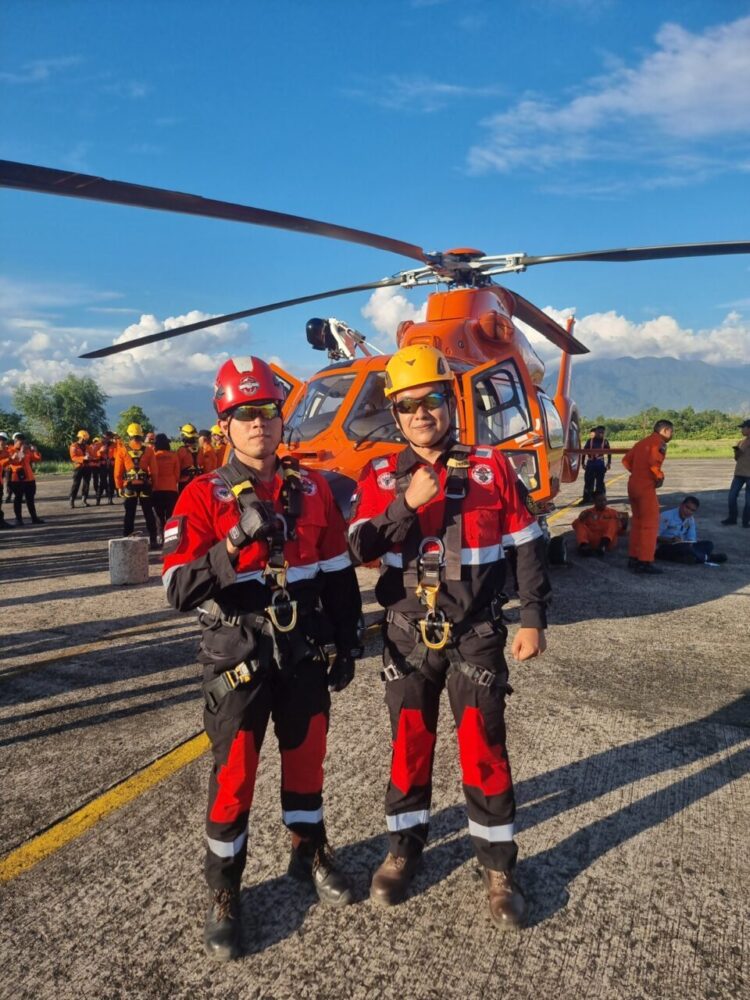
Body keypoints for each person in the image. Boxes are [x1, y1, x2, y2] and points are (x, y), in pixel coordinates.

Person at [162, 356, 362, 962]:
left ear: (281, 419)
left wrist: (349, 638)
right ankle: (225, 889)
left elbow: (337, 572)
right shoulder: (201, 495)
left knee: (307, 763)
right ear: (224, 424)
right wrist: (232, 542)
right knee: (234, 778)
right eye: (244, 413)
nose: (259, 423)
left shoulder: (312, 490)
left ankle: (309, 849)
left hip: (302, 651)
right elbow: (177, 589)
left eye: (268, 411)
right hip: (237, 654)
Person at [348, 344, 550, 930]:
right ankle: (403, 849)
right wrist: (404, 505)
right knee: (409, 745)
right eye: (407, 405)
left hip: (476, 634)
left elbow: (528, 547)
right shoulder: (379, 475)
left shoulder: (493, 467)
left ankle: (498, 866)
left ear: (451, 402)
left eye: (431, 400)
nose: (421, 414)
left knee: (484, 748)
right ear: (394, 412)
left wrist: (533, 618)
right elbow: (358, 547)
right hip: (406, 637)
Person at [622, 419, 673, 575]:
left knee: (637, 522)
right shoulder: (659, 443)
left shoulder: (641, 442)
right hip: (645, 487)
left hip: (633, 485)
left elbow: (626, 461)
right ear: (665, 430)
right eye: (671, 431)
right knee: (650, 525)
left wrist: (638, 472)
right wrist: (659, 476)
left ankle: (633, 557)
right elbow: (653, 462)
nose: (672, 434)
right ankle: (645, 561)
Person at [114, 423, 158, 548]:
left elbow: (117, 472)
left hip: (129, 486)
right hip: (145, 485)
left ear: (129, 435)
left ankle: (127, 540)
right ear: (141, 434)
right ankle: (153, 539)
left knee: (129, 514)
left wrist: (119, 486)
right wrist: (154, 485)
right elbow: (154, 471)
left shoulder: (123, 450)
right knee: (148, 513)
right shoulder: (148, 450)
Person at [656, 496, 727, 565]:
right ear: (681, 505)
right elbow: (654, 537)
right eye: (687, 507)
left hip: (683, 546)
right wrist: (670, 540)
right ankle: (707, 558)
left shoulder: (690, 519)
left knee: (708, 544)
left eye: (692, 510)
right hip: (665, 546)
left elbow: (692, 539)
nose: (688, 511)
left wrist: (690, 543)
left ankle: (692, 557)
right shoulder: (666, 516)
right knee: (684, 548)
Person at [143, 432, 180, 546]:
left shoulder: (154, 455)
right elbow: (177, 474)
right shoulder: (174, 455)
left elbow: (151, 471)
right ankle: (171, 538)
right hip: (171, 489)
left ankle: (161, 536)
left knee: (159, 516)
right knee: (170, 515)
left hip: (157, 489)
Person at [572, 490, 624, 556]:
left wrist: (623, 524)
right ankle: (584, 546)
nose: (603, 503)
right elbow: (575, 525)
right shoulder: (588, 512)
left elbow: (621, 532)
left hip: (607, 541)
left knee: (614, 521)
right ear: (594, 501)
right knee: (579, 522)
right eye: (600, 501)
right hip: (592, 540)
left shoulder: (613, 513)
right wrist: (581, 518)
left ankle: (602, 546)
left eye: (604, 500)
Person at [8, 432, 43, 525]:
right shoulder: (10, 450)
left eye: (24, 441)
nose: (23, 443)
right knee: (18, 499)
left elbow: (37, 459)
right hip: (17, 479)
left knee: (30, 499)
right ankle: (18, 519)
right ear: (15, 441)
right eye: (21, 441)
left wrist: (35, 451)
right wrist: (21, 452)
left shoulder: (27, 450)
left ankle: (34, 518)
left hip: (29, 478)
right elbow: (14, 462)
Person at [721, 418, 750, 528]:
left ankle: (746, 521)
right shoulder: (741, 442)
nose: (741, 430)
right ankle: (732, 518)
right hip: (739, 474)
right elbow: (737, 459)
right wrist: (737, 452)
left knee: (749, 501)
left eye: (743, 428)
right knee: (732, 497)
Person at [582, 425, 611, 502]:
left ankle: (600, 499)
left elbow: (609, 452)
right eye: (599, 432)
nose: (601, 434)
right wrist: (582, 463)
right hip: (590, 464)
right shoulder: (589, 441)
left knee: (600, 483)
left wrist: (609, 463)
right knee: (588, 482)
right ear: (596, 432)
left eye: (602, 432)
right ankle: (587, 498)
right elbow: (584, 452)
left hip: (600, 464)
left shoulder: (605, 441)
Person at [177, 423, 204, 492]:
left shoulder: (182, 451)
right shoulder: (200, 450)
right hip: (198, 481)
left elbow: (176, 469)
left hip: (185, 483)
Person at [69, 429, 92, 508]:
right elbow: (73, 457)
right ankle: (72, 500)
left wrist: (90, 457)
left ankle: (84, 500)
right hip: (78, 467)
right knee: (76, 484)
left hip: (87, 467)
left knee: (86, 484)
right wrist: (83, 458)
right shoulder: (73, 446)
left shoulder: (88, 447)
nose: (85, 441)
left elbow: (92, 455)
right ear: (80, 438)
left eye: (86, 440)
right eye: (84, 439)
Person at [0, 431, 12, 529]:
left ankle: (1, 522)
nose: (2, 442)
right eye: (0, 440)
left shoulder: (5, 451)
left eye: (4, 440)